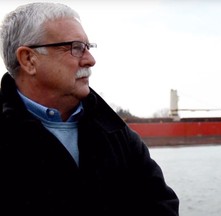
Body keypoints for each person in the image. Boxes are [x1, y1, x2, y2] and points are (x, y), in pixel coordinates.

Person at [0, 2, 179, 216]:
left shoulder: (118, 135)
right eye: (75, 48)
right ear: (29, 59)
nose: (90, 60)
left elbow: (161, 206)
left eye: (87, 47)